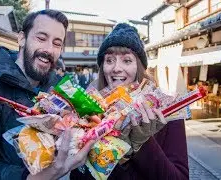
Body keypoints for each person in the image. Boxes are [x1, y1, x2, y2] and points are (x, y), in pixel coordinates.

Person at [0, 10, 95, 180]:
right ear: (21, 38)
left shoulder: (58, 88)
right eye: (41, 38)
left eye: (57, 44)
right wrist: (36, 176)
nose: (48, 49)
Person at [70, 23, 189, 179]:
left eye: (127, 60)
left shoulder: (167, 111)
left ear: (139, 66)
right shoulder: (91, 113)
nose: (116, 68)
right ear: (102, 68)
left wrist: (142, 143)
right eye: (109, 60)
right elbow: (78, 177)